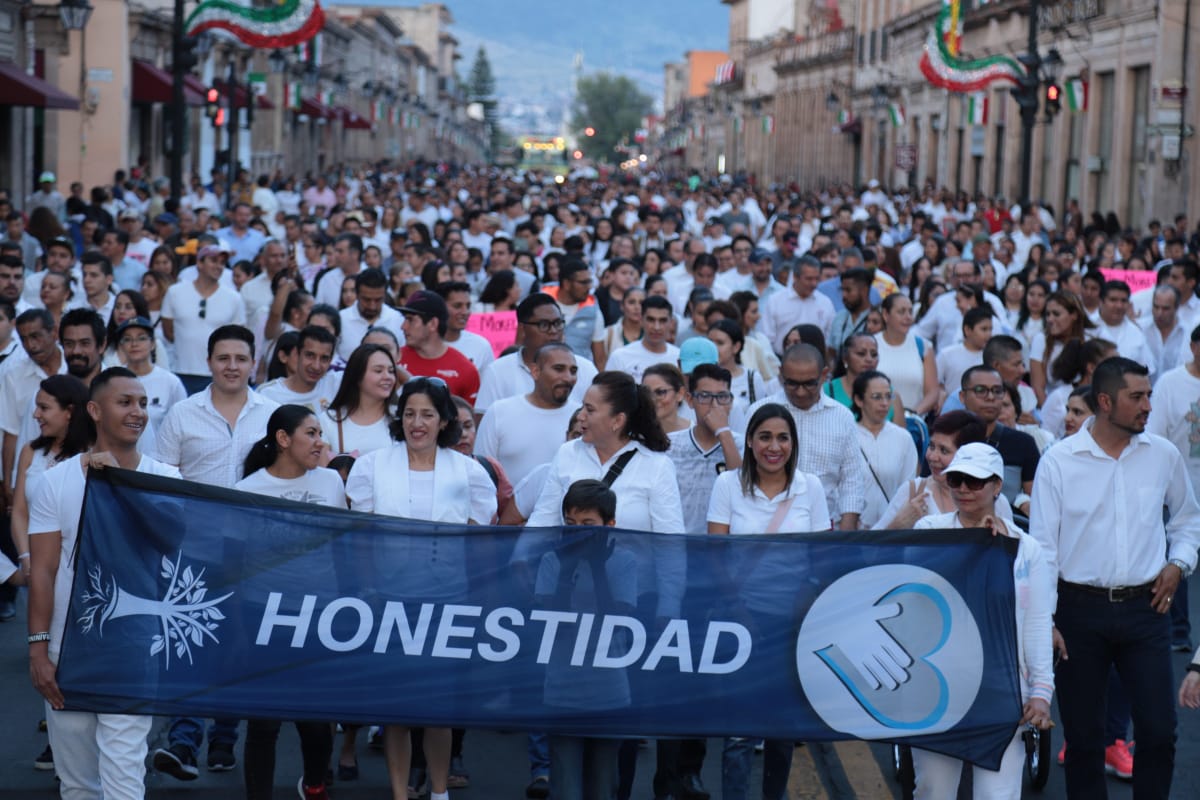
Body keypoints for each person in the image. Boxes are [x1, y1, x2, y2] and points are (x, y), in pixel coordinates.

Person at [1030, 356, 1200, 800]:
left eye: (1149, 395)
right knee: (1085, 741)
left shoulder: (1162, 455)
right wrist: (1044, 620)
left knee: (1160, 733)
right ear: (1106, 402)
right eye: (1137, 397)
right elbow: (1043, 551)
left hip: (1146, 610)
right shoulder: (1059, 462)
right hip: (1077, 613)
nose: (1148, 405)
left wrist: (1177, 564)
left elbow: (1188, 521)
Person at [521, 370, 685, 800]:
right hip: (568, 610)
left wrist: (668, 612)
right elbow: (541, 521)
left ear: (617, 420)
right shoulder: (566, 456)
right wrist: (515, 568)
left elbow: (671, 547)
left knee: (619, 726)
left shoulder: (656, 467)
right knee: (563, 710)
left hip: (631, 612)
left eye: (591, 408)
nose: (582, 415)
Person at [27, 368, 181, 799]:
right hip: (66, 650)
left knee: (124, 777)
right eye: (125, 402)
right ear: (94, 411)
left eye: (144, 403)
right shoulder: (55, 481)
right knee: (76, 783)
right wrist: (39, 649)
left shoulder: (166, 478)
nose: (138, 413)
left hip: (134, 650)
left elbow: (171, 539)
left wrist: (119, 484)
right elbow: (42, 571)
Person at [346, 377, 497, 800]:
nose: (417, 423)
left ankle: (438, 790)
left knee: (438, 708)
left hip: (447, 603)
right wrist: (367, 590)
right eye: (410, 413)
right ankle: (398, 792)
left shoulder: (470, 472)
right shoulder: (372, 466)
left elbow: (479, 544)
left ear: (444, 419)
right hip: (388, 603)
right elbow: (360, 540)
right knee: (394, 707)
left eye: (427, 414)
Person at [153, 325, 278, 779]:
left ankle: (225, 736)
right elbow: (163, 479)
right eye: (222, 357)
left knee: (236, 646)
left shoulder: (272, 414)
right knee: (188, 646)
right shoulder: (183, 414)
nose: (231, 366)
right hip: (193, 550)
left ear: (253, 362)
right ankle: (183, 743)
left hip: (254, 551)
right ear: (208, 362)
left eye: (240, 358)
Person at [911, 443, 1054, 798]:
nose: (963, 489)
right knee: (933, 791)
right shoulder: (929, 530)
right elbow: (916, 596)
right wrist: (972, 546)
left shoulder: (1025, 548)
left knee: (998, 795)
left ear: (996, 486)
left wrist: (1041, 693)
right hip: (939, 687)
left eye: (974, 482)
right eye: (957, 479)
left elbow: (1036, 622)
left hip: (1001, 690)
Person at [707, 402, 831, 800]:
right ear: (749, 441)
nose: (773, 446)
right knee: (740, 733)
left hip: (793, 625)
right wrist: (742, 614)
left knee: (782, 729)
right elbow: (715, 556)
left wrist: (798, 617)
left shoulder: (810, 487)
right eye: (764, 437)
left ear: (793, 444)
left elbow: (821, 559)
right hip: (738, 623)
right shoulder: (727, 485)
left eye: (782, 438)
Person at [234, 404, 344, 800]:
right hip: (262, 617)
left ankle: (314, 784)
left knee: (316, 720)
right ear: (283, 439)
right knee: (263, 722)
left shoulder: (332, 483)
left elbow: (346, 547)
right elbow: (234, 562)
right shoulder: (247, 491)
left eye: (320, 434)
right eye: (311, 434)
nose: (320, 442)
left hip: (320, 618)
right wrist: (240, 627)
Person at [538, 479, 632, 800]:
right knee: (565, 788)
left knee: (604, 787)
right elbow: (552, 625)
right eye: (571, 524)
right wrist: (566, 571)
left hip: (609, 692)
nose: (578, 532)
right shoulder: (553, 560)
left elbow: (616, 623)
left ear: (610, 525)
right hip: (562, 690)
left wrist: (597, 567)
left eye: (588, 524)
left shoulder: (623, 561)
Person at [746, 344, 864, 529]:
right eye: (792, 383)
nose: (800, 392)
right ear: (781, 374)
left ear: (824, 375)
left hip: (825, 528)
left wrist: (845, 539)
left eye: (809, 383)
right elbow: (744, 470)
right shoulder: (758, 412)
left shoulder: (842, 417)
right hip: (764, 525)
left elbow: (852, 482)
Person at [874, 410, 1016, 529]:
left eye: (944, 450)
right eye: (931, 446)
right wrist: (898, 525)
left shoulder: (995, 501)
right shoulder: (913, 492)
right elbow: (870, 548)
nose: (932, 457)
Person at [475, 343, 581, 489]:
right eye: (559, 369)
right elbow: (480, 476)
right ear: (536, 371)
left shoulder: (583, 418)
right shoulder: (499, 412)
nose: (568, 377)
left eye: (573, 371)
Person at [475, 293, 597, 417]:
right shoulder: (498, 372)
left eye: (558, 323)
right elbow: (483, 422)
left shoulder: (586, 369)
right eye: (544, 325)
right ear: (522, 329)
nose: (553, 331)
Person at [161, 244, 248, 395]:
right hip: (180, 370)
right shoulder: (175, 292)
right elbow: (168, 331)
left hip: (218, 374)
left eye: (222, 262)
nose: (219, 266)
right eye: (213, 260)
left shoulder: (234, 298)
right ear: (199, 263)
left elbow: (238, 337)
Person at [853, 370, 918, 527]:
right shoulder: (848, 436)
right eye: (876, 397)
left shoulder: (903, 438)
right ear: (859, 400)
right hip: (855, 532)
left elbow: (908, 488)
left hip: (892, 531)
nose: (884, 403)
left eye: (888, 396)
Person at [398, 290, 480, 406]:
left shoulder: (466, 370)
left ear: (432, 324)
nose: (403, 326)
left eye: (410, 320)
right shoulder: (393, 361)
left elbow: (469, 421)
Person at [319, 343, 397, 457]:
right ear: (357, 376)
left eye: (391, 371)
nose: (388, 377)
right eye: (378, 371)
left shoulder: (400, 418)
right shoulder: (329, 420)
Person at [115, 316, 186, 433]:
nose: (134, 344)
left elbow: (183, 424)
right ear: (121, 346)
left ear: (152, 344)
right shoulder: (113, 381)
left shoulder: (171, 382)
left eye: (141, 338)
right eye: (127, 339)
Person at [874, 293, 937, 416]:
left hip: (913, 424)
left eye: (910, 311)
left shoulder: (924, 346)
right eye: (901, 312)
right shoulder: (871, 345)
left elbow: (933, 392)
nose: (908, 317)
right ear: (886, 315)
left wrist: (912, 414)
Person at [256, 325, 341, 414]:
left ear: (331, 360)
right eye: (310, 355)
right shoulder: (268, 394)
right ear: (297, 353)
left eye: (324, 358)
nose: (316, 366)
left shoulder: (336, 384)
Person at [605, 295, 680, 383]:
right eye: (651, 320)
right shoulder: (620, 357)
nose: (656, 327)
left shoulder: (679, 358)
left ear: (671, 323)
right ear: (641, 320)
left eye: (662, 320)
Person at [337, 267, 405, 362]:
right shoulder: (340, 320)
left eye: (378, 300)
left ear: (385, 295)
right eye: (366, 300)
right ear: (357, 294)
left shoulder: (397, 320)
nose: (372, 306)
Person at [642, 363, 691, 434]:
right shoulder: (634, 436)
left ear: (680, 393)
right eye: (647, 392)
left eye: (660, 392)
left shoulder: (697, 435)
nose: (652, 399)